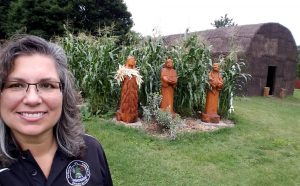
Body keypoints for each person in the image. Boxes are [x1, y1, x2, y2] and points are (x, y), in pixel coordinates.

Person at [0, 35, 113, 185]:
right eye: (16, 85)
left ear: (64, 94)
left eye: (47, 85)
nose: (32, 99)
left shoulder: (91, 149)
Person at [116, 56, 141, 123]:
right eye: (131, 60)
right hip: (126, 91)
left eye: (134, 60)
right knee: (125, 102)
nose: (133, 61)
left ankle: (133, 116)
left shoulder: (135, 71)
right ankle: (124, 115)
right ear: (128, 61)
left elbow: (138, 81)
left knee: (133, 102)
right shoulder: (124, 70)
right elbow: (120, 79)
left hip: (134, 91)